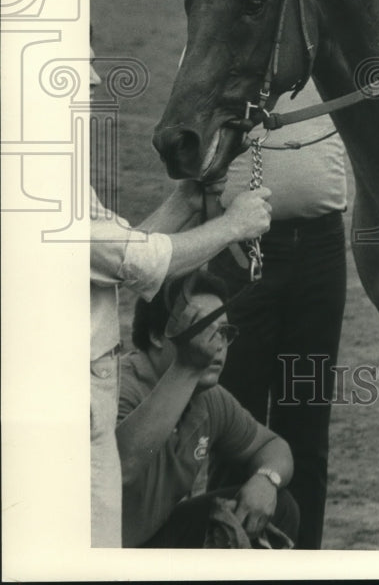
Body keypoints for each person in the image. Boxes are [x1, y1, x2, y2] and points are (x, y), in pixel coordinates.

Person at [89, 42, 274, 547]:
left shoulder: (63, 184)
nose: (95, 85)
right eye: (79, 74)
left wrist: (188, 198)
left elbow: (121, 249)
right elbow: (137, 262)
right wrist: (233, 226)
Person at [209, 60, 348, 550]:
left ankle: (301, 557)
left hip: (320, 250)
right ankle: (229, 556)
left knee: (306, 423)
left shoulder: (322, 47)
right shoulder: (226, 39)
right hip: (239, 248)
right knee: (233, 419)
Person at [116, 271, 300, 548]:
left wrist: (267, 479)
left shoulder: (209, 398)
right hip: (94, 558)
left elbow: (274, 446)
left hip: (153, 543)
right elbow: (120, 467)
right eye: (202, 329)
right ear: (156, 334)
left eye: (223, 332)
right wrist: (187, 368)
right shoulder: (119, 387)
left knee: (280, 507)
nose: (217, 345)